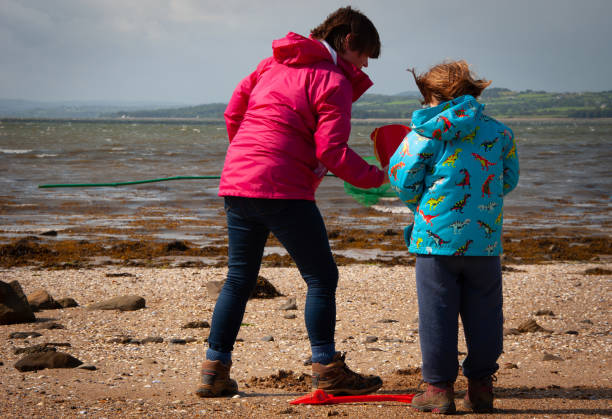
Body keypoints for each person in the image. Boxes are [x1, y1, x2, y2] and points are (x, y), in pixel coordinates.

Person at [197, 6, 387, 398]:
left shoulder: (270, 65)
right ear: (348, 42)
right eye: (366, 54)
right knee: (321, 277)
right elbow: (332, 150)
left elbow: (234, 112)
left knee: (238, 278)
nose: (366, 64)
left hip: (238, 181)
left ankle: (214, 371)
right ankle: (327, 369)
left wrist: (251, 160)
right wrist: (376, 178)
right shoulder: (332, 79)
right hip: (282, 190)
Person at [387, 60, 519, 414]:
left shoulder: (425, 133)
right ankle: (480, 387)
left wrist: (420, 201)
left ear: (432, 95)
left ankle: (438, 389)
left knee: (437, 313)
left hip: (435, 242)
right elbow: (508, 180)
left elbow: (402, 178)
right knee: (486, 313)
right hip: (484, 241)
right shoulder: (499, 133)